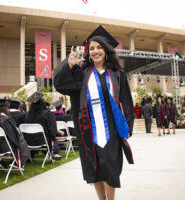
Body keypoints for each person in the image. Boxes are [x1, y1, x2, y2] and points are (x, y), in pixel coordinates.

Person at [54, 25, 134, 200]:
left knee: (111, 167)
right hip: (88, 130)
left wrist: (127, 126)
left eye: (99, 47)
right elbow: (60, 84)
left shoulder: (118, 74)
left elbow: (126, 100)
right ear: (87, 52)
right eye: (92, 48)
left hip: (111, 130)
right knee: (94, 167)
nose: (95, 51)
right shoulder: (81, 73)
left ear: (106, 50)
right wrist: (68, 65)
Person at [0, 99, 30, 167]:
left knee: (5, 141)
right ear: (5, 108)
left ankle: (3, 162)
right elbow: (13, 136)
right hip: (2, 149)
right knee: (20, 142)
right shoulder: (5, 119)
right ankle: (17, 163)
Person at [25, 92, 62, 159]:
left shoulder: (27, 115)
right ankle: (54, 153)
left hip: (29, 141)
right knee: (51, 135)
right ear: (42, 104)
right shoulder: (47, 114)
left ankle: (31, 155)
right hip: (43, 140)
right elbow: (53, 129)